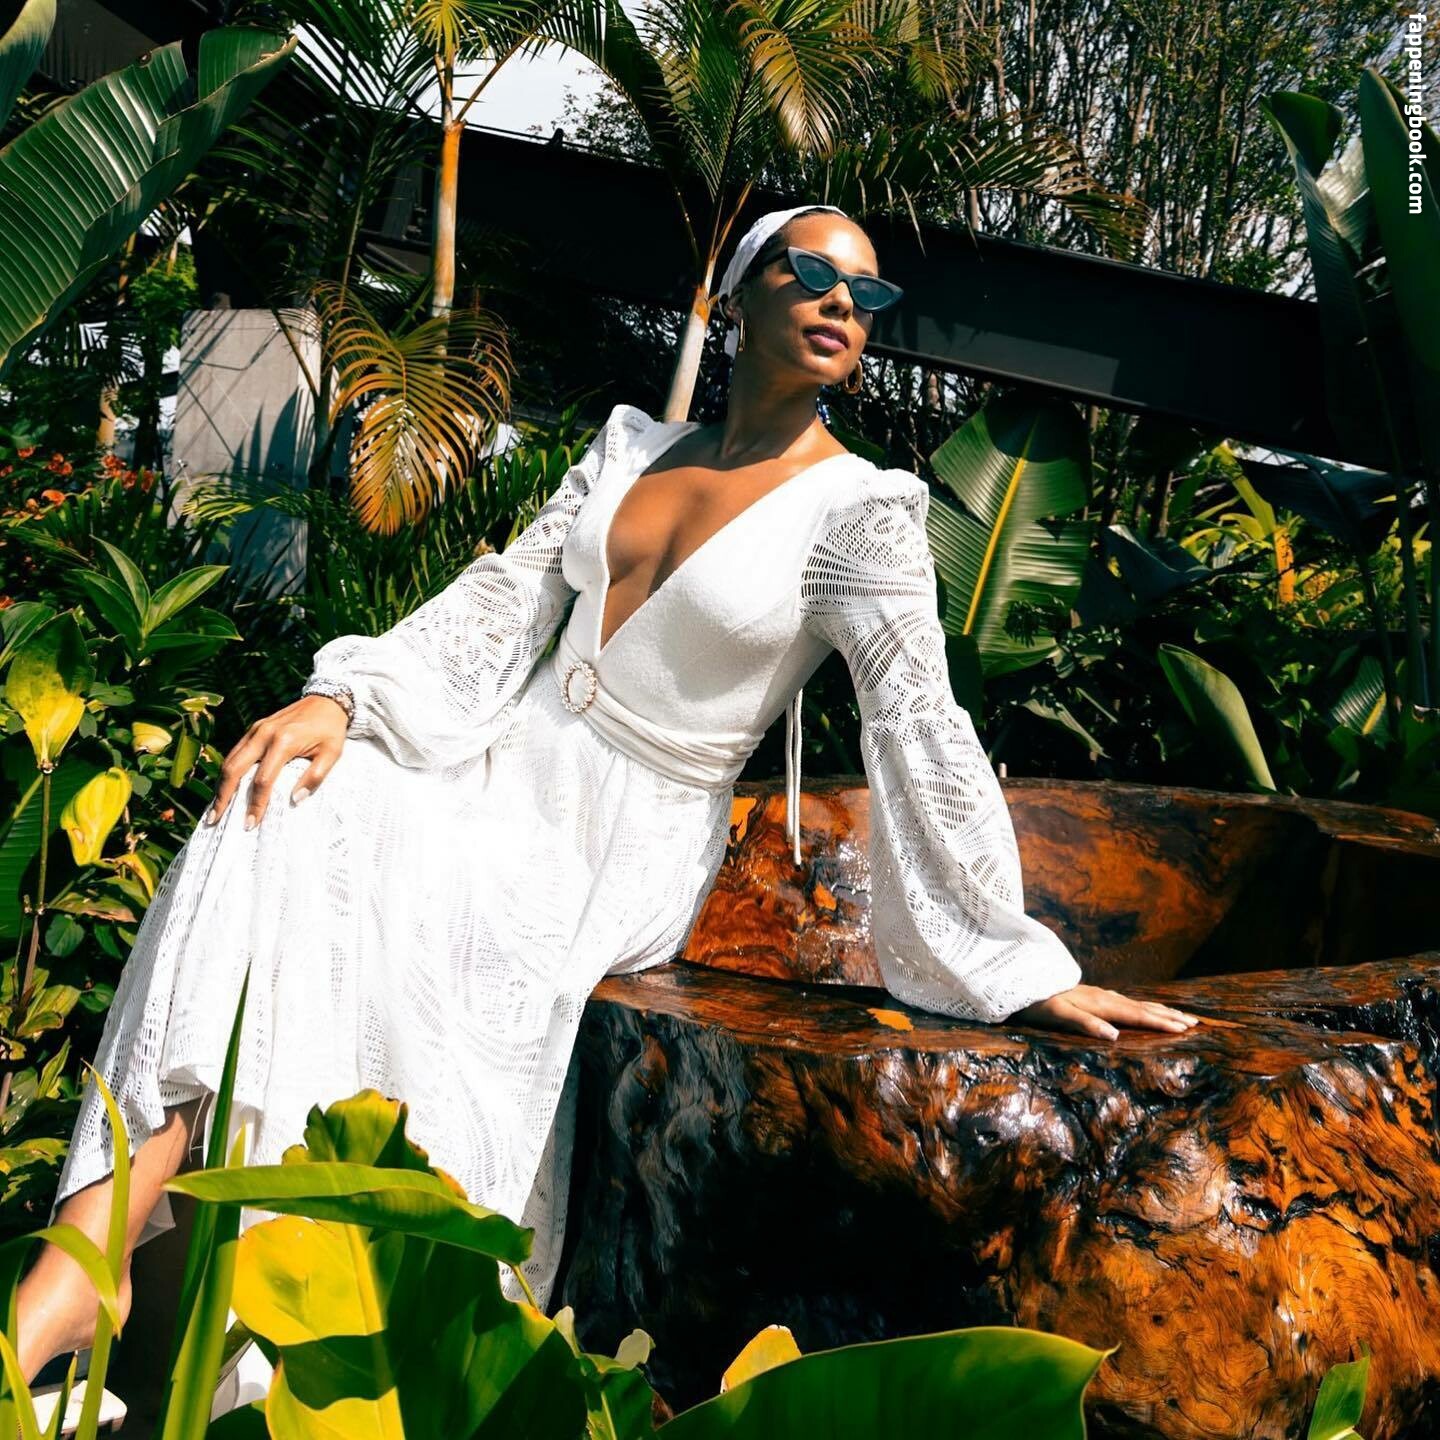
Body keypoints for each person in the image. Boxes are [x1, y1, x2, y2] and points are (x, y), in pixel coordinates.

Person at [16, 203, 1199, 1383]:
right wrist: (347, 699)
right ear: (741, 295)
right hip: (496, 760)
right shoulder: (632, 447)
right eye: (812, 273)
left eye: (868, 292)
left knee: (387, 900)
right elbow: (507, 599)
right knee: (275, 807)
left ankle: (136, 1298)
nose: (845, 302)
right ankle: (96, 1261)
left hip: (619, 836)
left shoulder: (860, 513)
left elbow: (917, 723)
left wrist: (1012, 962)